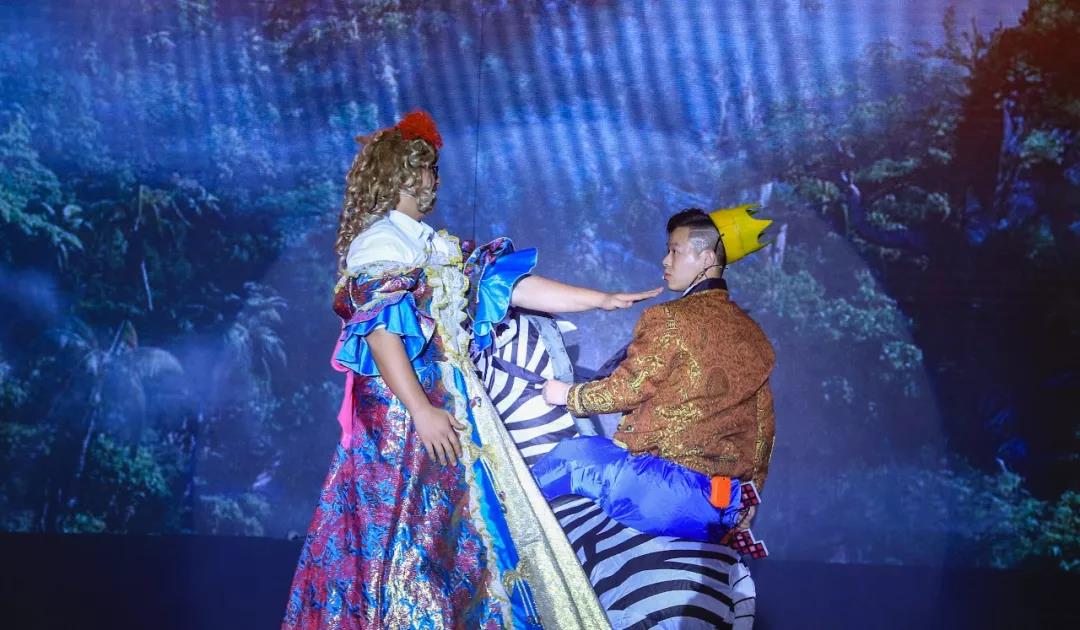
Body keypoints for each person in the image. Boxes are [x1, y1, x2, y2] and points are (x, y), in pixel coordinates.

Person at [282, 110, 658, 629]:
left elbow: (510, 288)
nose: (435, 180)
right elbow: (380, 332)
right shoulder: (382, 243)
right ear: (407, 176)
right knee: (406, 539)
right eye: (429, 169)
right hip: (404, 416)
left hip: (452, 403)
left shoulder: (432, 243)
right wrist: (420, 409)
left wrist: (600, 299)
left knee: (458, 536)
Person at [538, 205, 777, 545]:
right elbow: (763, 430)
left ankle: (487, 549)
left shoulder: (668, 318)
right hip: (722, 506)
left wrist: (565, 394)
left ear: (707, 258)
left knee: (571, 457)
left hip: (662, 494)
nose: (665, 261)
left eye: (675, 251)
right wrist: (750, 495)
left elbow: (627, 389)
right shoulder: (755, 336)